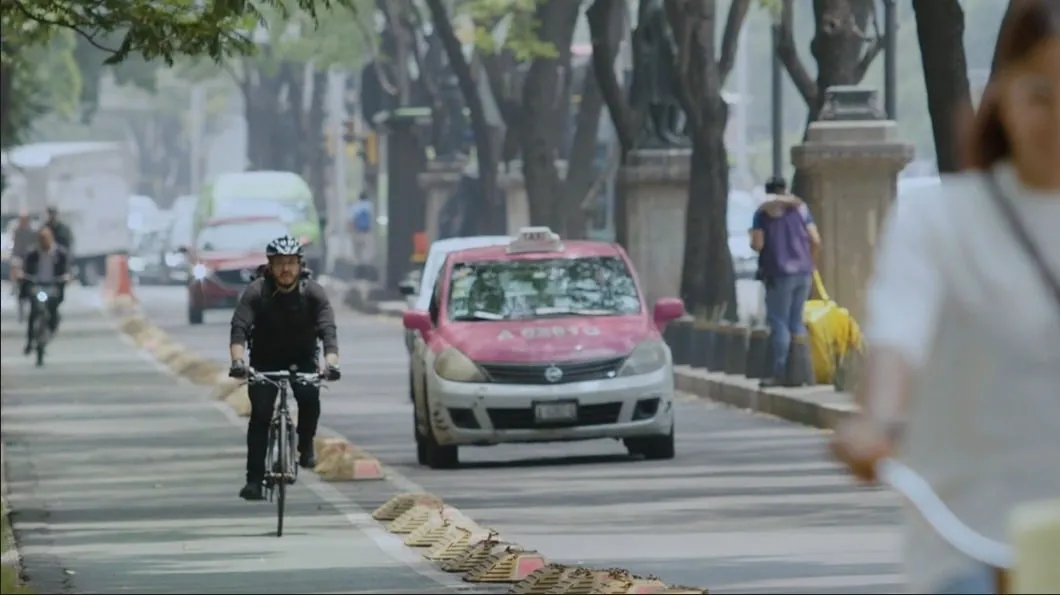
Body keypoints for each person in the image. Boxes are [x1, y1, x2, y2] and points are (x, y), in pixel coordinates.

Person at [830, 1, 1060, 593]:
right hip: (969, 543)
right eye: (1041, 96)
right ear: (1003, 94)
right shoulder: (938, 222)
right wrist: (879, 422)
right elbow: (898, 338)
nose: (1056, 120)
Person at [228, 235, 342, 502]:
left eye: (291, 263)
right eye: (280, 263)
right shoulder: (257, 291)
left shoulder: (313, 293)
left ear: (300, 265)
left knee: (309, 399)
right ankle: (254, 480)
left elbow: (328, 331)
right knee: (260, 416)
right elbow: (239, 329)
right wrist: (237, 363)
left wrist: (332, 363)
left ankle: (305, 445)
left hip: (302, 359)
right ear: (270, 266)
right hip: (264, 361)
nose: (286, 269)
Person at [750, 176, 821, 387]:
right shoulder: (801, 209)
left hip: (778, 273)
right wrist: (810, 262)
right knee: (796, 321)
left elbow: (758, 244)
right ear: (785, 189)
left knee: (779, 321)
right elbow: (816, 240)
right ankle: (801, 372)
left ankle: (780, 372)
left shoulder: (762, 213)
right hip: (804, 272)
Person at [19, 227, 71, 355]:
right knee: (33, 312)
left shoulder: (60, 254)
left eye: (45, 239)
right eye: (41, 239)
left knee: (53, 312)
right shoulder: (32, 254)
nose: (43, 242)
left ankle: (50, 330)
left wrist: (65, 278)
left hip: (53, 287)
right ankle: (30, 340)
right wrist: (23, 276)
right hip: (37, 286)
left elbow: (66, 271)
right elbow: (25, 270)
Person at [348, 192, 374, 265]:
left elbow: (350, 220)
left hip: (357, 232)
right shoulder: (370, 205)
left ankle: (358, 266)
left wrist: (351, 231)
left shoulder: (355, 206)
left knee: (357, 252)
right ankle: (365, 265)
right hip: (366, 232)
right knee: (367, 251)